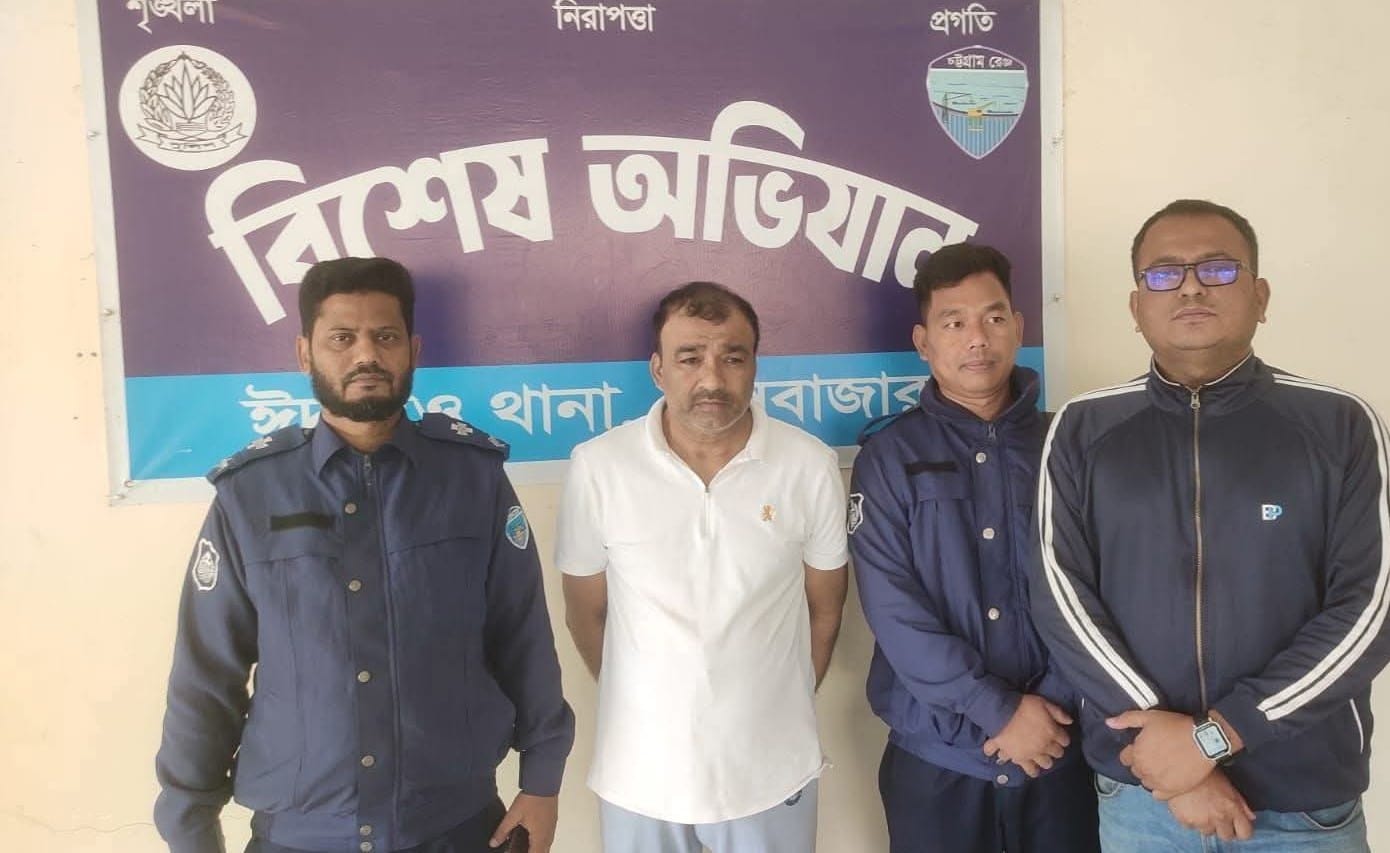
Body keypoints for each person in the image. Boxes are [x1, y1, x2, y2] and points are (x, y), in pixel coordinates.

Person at [154, 257, 575, 853]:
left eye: (385, 337)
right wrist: (191, 830)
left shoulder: (472, 480)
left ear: (413, 350)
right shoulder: (251, 494)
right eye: (342, 338)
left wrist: (542, 781)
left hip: (454, 827)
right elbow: (205, 676)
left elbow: (522, 635)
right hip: (300, 836)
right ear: (305, 354)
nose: (366, 356)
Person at [1030, 199, 1390, 849]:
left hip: (1302, 805)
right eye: (1164, 273)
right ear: (1137, 305)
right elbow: (1061, 600)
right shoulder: (1083, 429)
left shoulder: (1340, 425)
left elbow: (1369, 609)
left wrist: (1216, 736)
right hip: (1145, 801)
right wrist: (1170, 757)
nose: (1191, 286)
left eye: (1218, 269)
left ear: (1260, 296)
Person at [555, 282, 849, 853]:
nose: (712, 379)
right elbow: (585, 614)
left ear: (755, 366)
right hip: (640, 773)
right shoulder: (599, 467)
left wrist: (772, 705)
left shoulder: (808, 465)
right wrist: (649, 700)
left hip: (771, 769)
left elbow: (826, 609)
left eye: (732, 358)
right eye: (690, 358)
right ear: (658, 369)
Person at [848, 243, 1098, 852]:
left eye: (993, 317)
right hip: (937, 761)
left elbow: (1098, 590)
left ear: (1019, 327)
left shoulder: (1069, 448)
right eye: (954, 323)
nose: (977, 339)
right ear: (923, 341)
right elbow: (894, 610)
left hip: (1059, 752)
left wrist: (1048, 709)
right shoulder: (888, 459)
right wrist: (998, 710)